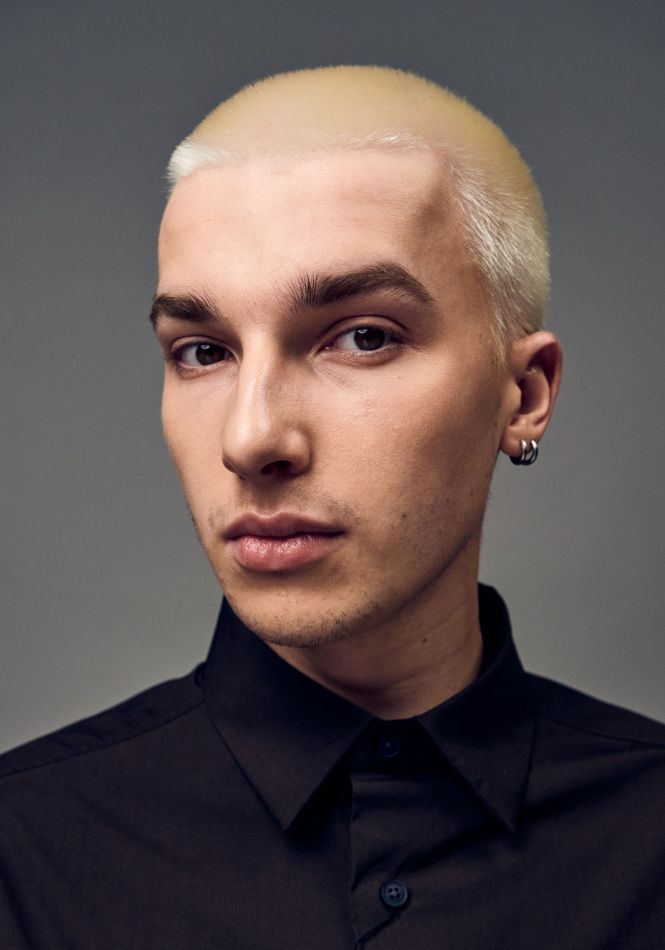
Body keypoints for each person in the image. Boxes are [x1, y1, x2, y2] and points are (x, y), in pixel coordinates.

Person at [0, 65, 662, 949]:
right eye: (202, 351)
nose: (250, 438)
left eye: (362, 337)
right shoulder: (22, 852)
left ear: (525, 394)